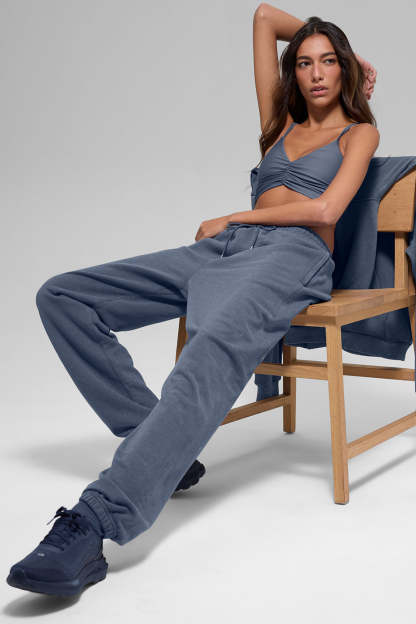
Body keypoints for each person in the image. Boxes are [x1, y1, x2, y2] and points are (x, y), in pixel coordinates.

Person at [6, 5, 379, 596]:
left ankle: (96, 521)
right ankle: (159, 443)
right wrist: (348, 50)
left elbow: (327, 210)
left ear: (344, 74)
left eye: (329, 62)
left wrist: (235, 215)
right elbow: (264, 17)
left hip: (293, 256)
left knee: (209, 351)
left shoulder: (359, 133)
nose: (316, 73)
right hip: (226, 250)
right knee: (65, 297)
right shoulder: (279, 122)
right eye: (305, 62)